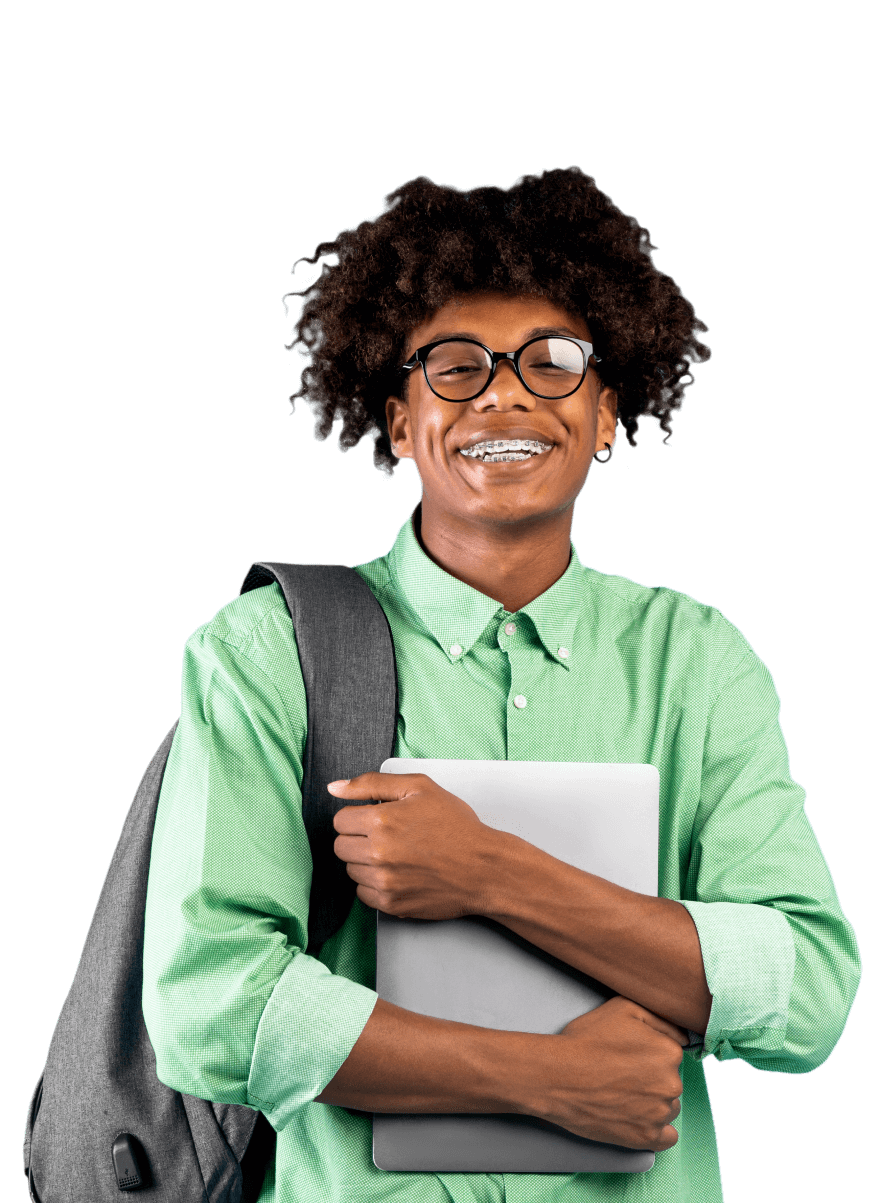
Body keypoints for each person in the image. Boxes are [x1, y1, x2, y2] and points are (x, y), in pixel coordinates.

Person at [142, 170, 861, 1203]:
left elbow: (807, 995)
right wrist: (550, 1079)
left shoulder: (698, 661)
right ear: (397, 421)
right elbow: (212, 1004)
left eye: (553, 361)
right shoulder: (267, 652)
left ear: (608, 414)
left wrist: (488, 871)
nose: (505, 392)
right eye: (455, 366)